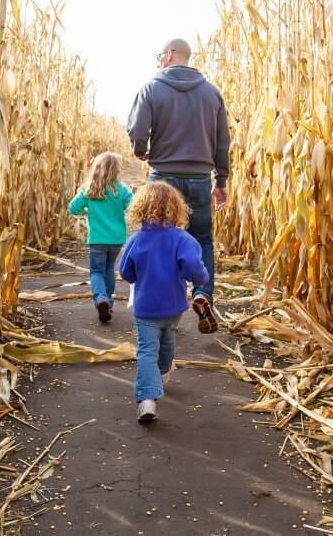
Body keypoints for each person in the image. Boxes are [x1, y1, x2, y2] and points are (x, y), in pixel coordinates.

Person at [126, 38, 230, 334]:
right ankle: (202, 292)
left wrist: (140, 149)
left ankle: (159, 307)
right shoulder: (212, 94)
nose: (159, 61)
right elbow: (223, 142)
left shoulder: (151, 88)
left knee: (156, 239)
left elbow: (137, 128)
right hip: (199, 178)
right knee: (202, 239)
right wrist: (221, 180)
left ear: (169, 55)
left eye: (160, 56)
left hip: (162, 178)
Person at [118, 182, 209, 422]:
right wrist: (201, 279)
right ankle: (161, 373)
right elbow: (194, 269)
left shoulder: (136, 240)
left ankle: (147, 399)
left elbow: (125, 273)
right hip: (173, 306)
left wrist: (141, 274)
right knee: (168, 340)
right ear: (176, 208)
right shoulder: (182, 239)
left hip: (146, 306)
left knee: (147, 349)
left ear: (140, 208)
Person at [68, 152, 133, 322]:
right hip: (116, 239)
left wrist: (87, 211)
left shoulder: (89, 189)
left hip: (97, 239)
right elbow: (133, 206)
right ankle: (109, 303)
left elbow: (72, 208)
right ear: (117, 170)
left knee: (97, 271)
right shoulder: (122, 189)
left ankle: (100, 298)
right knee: (109, 269)